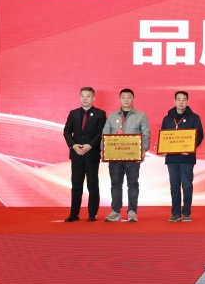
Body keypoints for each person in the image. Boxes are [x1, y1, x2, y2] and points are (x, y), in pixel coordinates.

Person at [102, 89, 150, 222]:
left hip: (132, 157)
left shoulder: (141, 116)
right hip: (115, 156)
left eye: (129, 97)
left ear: (134, 99)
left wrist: (143, 149)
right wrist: (103, 150)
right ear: (119, 99)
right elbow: (105, 134)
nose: (126, 100)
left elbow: (146, 134)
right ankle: (115, 212)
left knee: (133, 184)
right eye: (123, 97)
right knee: (115, 184)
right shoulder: (112, 116)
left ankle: (132, 212)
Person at [62, 87, 107, 222]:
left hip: (91, 154)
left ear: (93, 98)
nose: (85, 99)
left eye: (88, 96)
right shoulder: (73, 113)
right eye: (82, 96)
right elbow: (66, 131)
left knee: (92, 184)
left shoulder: (100, 114)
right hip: (76, 154)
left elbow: (101, 133)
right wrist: (73, 145)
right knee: (76, 184)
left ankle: (92, 214)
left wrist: (90, 145)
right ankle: (74, 214)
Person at [162, 91, 204, 222]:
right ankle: (175, 213)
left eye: (184, 99)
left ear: (187, 102)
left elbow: (200, 135)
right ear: (174, 101)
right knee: (174, 186)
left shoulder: (194, 117)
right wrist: (164, 148)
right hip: (172, 159)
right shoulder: (167, 118)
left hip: (187, 158)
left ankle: (186, 213)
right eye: (179, 99)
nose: (181, 102)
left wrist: (191, 148)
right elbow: (164, 136)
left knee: (187, 185)